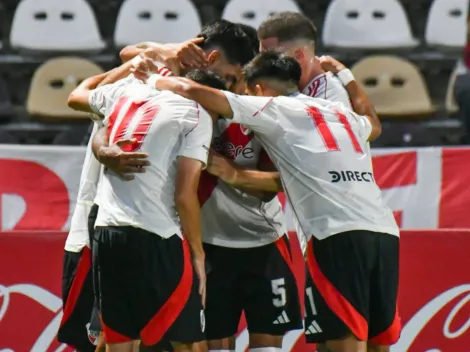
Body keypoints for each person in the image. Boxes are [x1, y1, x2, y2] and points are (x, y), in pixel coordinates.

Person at [143, 51, 401, 352]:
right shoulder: (339, 111)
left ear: (258, 89)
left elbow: (192, 90)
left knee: (343, 342)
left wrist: (154, 79)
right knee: (378, 342)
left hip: (335, 235)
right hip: (385, 232)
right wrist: (346, 75)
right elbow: (374, 123)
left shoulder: (273, 108)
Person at [103, 20, 303, 352]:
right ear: (205, 59)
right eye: (227, 75)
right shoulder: (182, 93)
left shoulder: (258, 108)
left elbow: (281, 182)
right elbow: (128, 54)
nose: (228, 86)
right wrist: (173, 50)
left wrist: (232, 173)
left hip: (263, 242)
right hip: (208, 244)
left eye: (238, 78)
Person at [66, 68, 229, 352]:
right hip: (157, 236)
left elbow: (77, 96)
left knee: (119, 340)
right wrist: (198, 255)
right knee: (189, 341)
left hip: (107, 233)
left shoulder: (125, 93)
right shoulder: (197, 114)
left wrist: (104, 150)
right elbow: (184, 194)